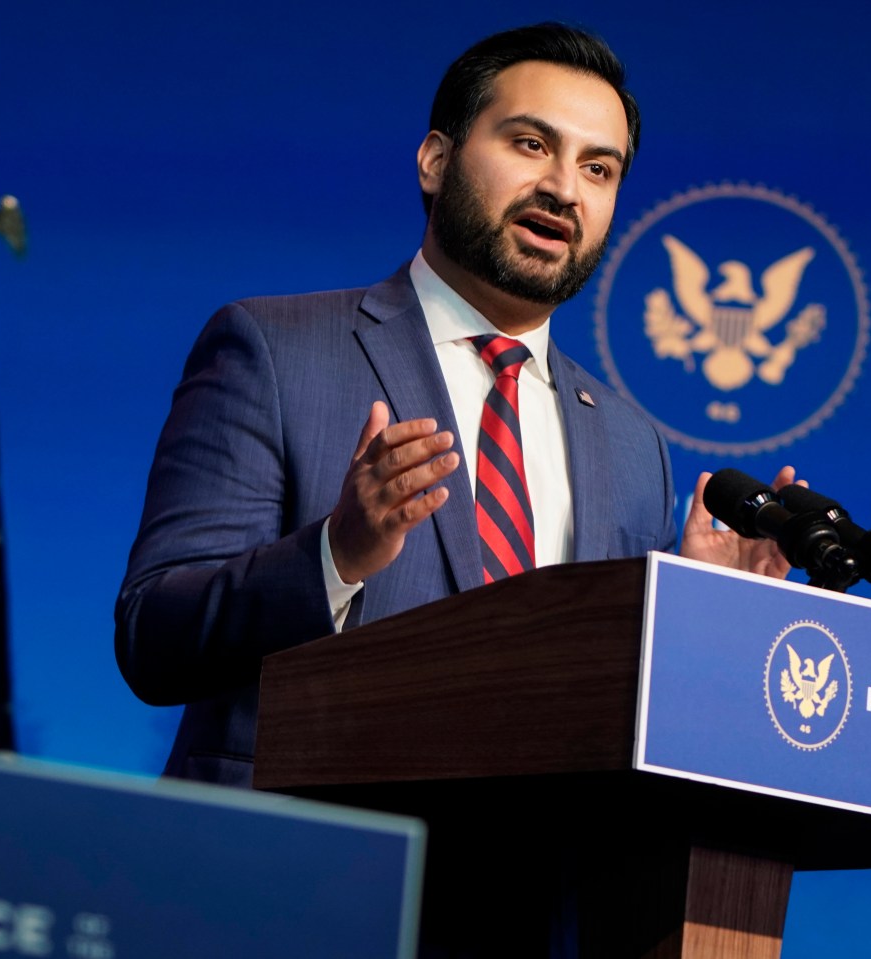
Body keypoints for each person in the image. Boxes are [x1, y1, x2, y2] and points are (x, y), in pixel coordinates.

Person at [115, 23, 796, 787]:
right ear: (436, 161)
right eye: (531, 144)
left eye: (598, 168)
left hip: (542, 889)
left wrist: (698, 619)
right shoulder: (274, 349)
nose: (564, 189)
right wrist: (336, 555)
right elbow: (153, 636)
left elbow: (606, 715)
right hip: (311, 870)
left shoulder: (632, 443)